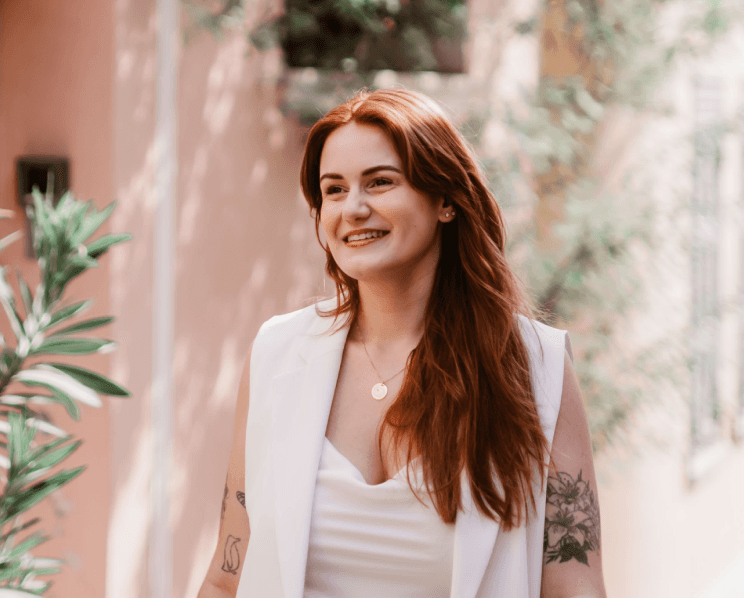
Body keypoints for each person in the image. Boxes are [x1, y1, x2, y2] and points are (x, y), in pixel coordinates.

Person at [197, 88, 606, 598]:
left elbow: (575, 587)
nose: (355, 208)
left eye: (381, 182)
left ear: (446, 201)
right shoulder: (277, 354)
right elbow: (226, 576)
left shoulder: (535, 366)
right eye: (335, 190)